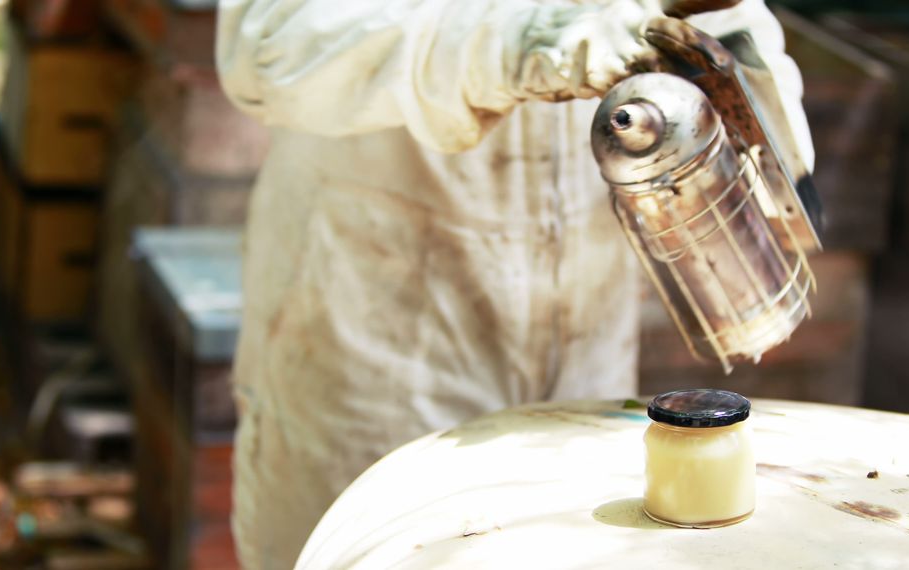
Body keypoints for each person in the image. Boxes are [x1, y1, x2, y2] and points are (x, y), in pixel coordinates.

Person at [215, 0, 814, 567]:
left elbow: (733, 27)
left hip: (585, 364)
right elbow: (270, 46)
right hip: (378, 353)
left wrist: (741, 73)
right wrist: (530, 42)